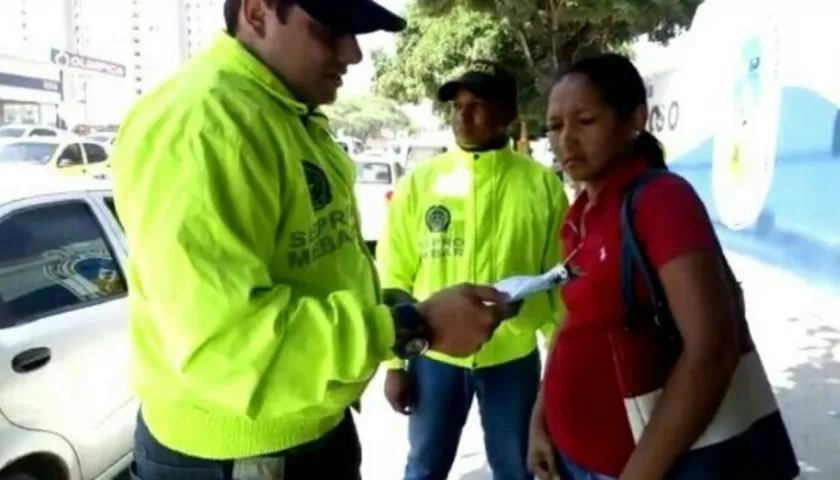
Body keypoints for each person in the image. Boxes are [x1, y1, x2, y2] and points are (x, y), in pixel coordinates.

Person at [112, 1, 520, 479]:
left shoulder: (283, 113)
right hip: (242, 453)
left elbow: (308, 269)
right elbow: (225, 345)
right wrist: (410, 325)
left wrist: (392, 308)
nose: (353, 54)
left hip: (305, 426)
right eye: (331, 30)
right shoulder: (203, 124)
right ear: (259, 12)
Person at [527, 53, 799, 480]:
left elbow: (711, 351)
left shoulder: (660, 201)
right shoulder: (581, 211)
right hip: (574, 458)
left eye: (585, 121)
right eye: (555, 126)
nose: (566, 141)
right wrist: (540, 421)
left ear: (634, 120)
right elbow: (573, 323)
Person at [379, 63, 568, 480]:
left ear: (508, 116)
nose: (463, 116)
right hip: (435, 355)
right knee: (424, 466)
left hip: (513, 359)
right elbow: (395, 273)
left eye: (477, 106)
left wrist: (560, 364)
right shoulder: (421, 183)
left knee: (517, 468)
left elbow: (558, 281)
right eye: (457, 106)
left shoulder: (541, 186)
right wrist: (394, 365)